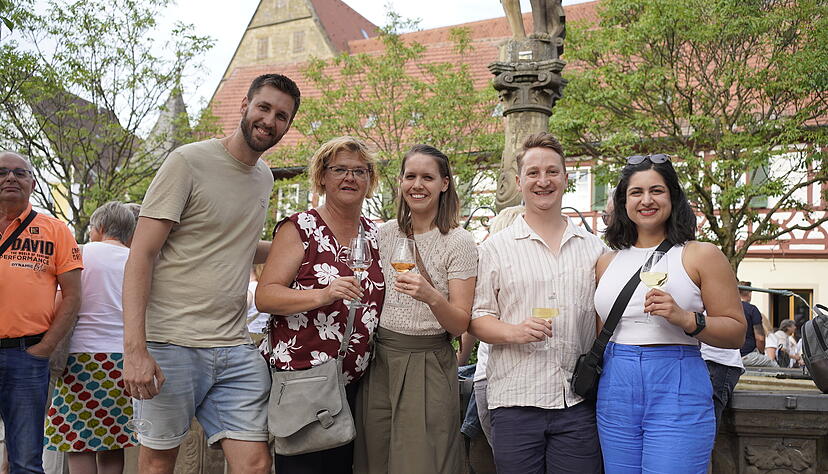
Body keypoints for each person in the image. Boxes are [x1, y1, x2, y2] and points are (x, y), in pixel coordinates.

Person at [122, 73, 300, 474]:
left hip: (235, 346)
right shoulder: (188, 161)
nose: (270, 120)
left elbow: (238, 243)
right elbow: (142, 254)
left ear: (288, 126)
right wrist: (135, 350)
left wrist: (306, 247)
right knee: (158, 463)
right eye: (264, 107)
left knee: (255, 464)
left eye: (281, 116)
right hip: (171, 341)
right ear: (245, 105)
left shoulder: (264, 177)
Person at [595, 153, 746, 473]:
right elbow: (600, 333)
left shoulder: (701, 255)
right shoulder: (606, 262)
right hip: (615, 387)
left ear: (673, 197)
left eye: (657, 190)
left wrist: (687, 319)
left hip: (677, 383)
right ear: (623, 201)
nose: (646, 200)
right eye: (636, 192)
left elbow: (736, 333)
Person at [469, 133, 606, 474]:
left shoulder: (595, 249)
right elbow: (478, 318)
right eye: (533, 173)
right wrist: (514, 331)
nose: (543, 181)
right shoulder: (495, 248)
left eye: (552, 172)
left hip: (577, 402)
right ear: (519, 181)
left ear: (566, 178)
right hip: (515, 401)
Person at [256, 136, 384, 474]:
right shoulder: (300, 228)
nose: (350, 177)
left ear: (370, 179)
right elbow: (265, 296)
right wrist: (323, 294)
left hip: (355, 385)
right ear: (322, 176)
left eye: (359, 171)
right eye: (339, 169)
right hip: (304, 383)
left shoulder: (376, 235)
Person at [354, 145, 478, 474]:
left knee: (423, 462)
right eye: (410, 176)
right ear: (400, 182)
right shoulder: (383, 234)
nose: (417, 185)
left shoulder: (459, 241)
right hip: (380, 364)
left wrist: (431, 296)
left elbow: (460, 323)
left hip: (428, 364)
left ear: (444, 184)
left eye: (428, 177)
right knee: (376, 461)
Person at [0, 151, 83, 473]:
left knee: (26, 459)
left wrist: (45, 348)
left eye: (19, 173)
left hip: (26, 356)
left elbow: (73, 296)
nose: (10, 178)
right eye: (2, 172)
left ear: (32, 184)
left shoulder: (55, 230)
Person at [44, 201, 137, 473]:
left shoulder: (80, 253)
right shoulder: (137, 259)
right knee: (114, 440)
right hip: (125, 360)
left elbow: (60, 303)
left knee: (79, 440)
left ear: (100, 227)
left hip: (81, 359)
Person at [739, 283, 776, 367]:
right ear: (750, 293)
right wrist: (761, 352)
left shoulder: (727, 307)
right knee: (775, 367)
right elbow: (760, 338)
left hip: (729, 356)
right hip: (746, 355)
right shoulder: (752, 309)